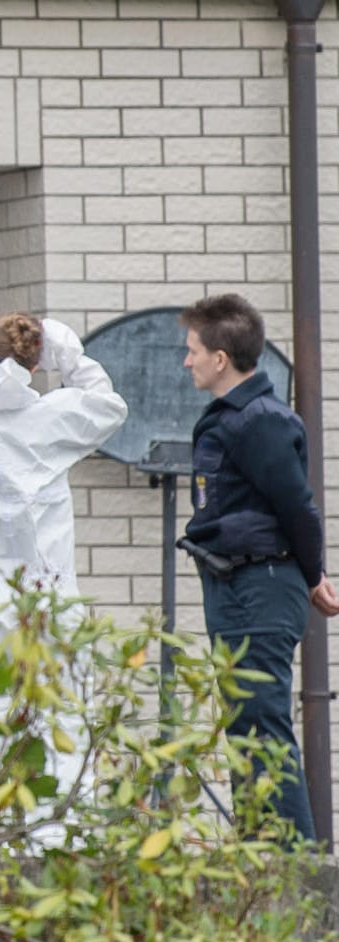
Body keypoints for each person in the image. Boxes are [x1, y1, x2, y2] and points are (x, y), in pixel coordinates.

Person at [180, 293, 339, 843]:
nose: (187, 361)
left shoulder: (259, 421)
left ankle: (296, 867)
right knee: (245, 725)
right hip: (235, 580)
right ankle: (261, 856)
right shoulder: (235, 417)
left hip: (261, 584)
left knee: (263, 721)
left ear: (220, 358)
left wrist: (313, 572)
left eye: (193, 351)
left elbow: (298, 507)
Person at [0, 313, 128, 628]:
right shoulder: (52, 418)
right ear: (35, 365)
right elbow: (109, 405)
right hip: (46, 594)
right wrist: (66, 351)